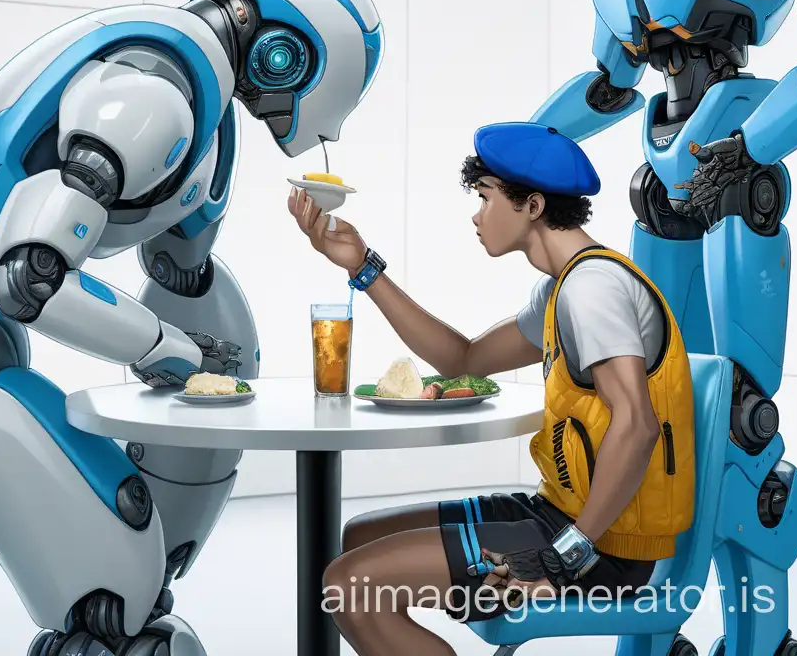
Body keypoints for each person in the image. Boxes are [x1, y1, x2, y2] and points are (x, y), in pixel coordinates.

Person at [286, 122, 695, 656]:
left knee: (350, 589)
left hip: (599, 549)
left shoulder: (592, 289)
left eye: (485, 197)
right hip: (557, 517)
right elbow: (464, 359)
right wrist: (364, 268)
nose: (476, 215)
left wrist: (566, 553)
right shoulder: (562, 288)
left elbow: (637, 427)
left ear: (532, 206)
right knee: (360, 538)